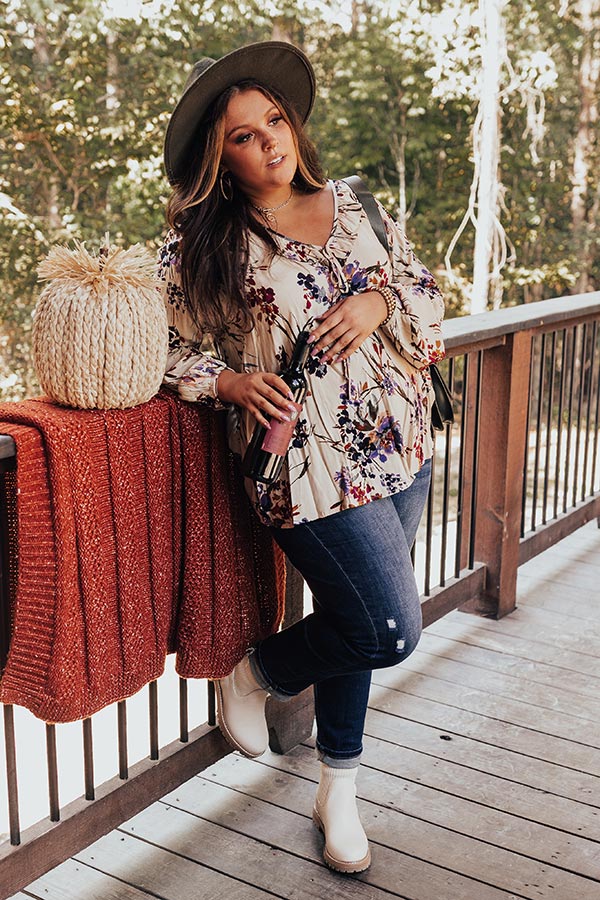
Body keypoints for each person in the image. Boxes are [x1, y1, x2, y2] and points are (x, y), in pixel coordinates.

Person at [158, 40, 445, 874]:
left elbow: (427, 294)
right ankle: (258, 672)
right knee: (387, 628)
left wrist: (379, 297)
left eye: (274, 121)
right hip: (305, 468)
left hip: (402, 441)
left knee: (356, 624)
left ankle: (338, 790)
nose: (269, 142)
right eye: (243, 136)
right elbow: (161, 348)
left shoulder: (355, 203)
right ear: (221, 157)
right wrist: (227, 381)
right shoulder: (203, 241)